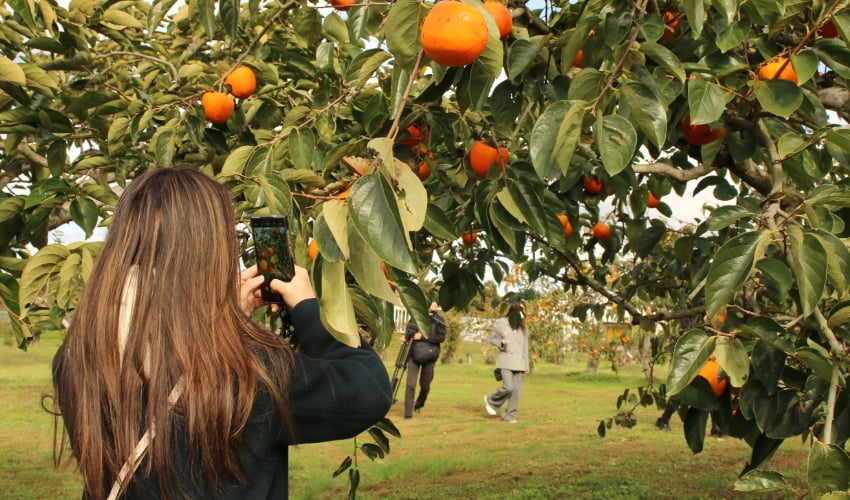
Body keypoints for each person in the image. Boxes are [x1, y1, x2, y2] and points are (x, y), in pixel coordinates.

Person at [51, 168, 392, 500]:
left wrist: (220, 320)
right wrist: (307, 307)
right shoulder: (249, 372)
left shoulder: (78, 357)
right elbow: (368, 388)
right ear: (210, 252)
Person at [483, 300, 529, 423]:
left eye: (524, 310)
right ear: (514, 310)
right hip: (506, 360)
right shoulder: (502, 322)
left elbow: (525, 347)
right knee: (509, 387)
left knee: (516, 392)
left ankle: (509, 415)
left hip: (519, 362)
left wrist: (526, 365)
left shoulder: (523, 326)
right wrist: (501, 342)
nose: (522, 312)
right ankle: (491, 400)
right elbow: (493, 339)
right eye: (520, 309)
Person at [400, 301, 446, 419]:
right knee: (411, 384)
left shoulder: (440, 320)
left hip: (430, 357)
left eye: (437, 304)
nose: (435, 305)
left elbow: (441, 337)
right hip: (414, 355)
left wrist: (424, 337)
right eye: (433, 303)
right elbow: (409, 331)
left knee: (425, 386)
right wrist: (405, 337)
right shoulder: (416, 317)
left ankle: (419, 404)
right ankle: (408, 414)